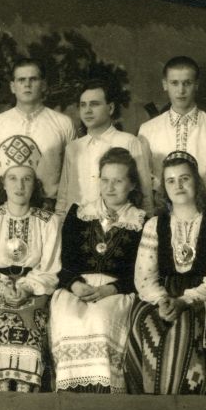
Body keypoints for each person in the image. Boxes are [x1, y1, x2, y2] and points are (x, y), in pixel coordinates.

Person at [124, 150, 206, 394]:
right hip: (161, 295)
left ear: (197, 182)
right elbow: (144, 277)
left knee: (183, 329)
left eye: (185, 178)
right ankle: (149, 401)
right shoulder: (155, 224)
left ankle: (179, 398)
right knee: (147, 324)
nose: (178, 185)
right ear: (164, 187)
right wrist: (163, 300)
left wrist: (184, 301)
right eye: (171, 180)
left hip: (202, 297)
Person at [48, 148, 147, 393]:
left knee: (100, 320)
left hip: (116, 291)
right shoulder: (79, 214)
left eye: (118, 181)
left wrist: (110, 289)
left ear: (132, 185)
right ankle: (68, 394)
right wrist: (74, 284)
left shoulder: (142, 222)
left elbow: (142, 273)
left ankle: (103, 394)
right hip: (76, 287)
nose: (110, 187)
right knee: (68, 317)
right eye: (105, 180)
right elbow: (63, 262)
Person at [0, 135, 61, 391]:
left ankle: (25, 394)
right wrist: (2, 286)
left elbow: (50, 268)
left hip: (34, 289)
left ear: (35, 184)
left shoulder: (48, 221)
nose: (20, 185)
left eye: (27, 179)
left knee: (29, 319)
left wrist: (26, 287)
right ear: (2, 183)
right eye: (12, 178)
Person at [138, 56, 206, 215]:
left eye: (187, 83)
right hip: (161, 214)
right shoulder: (147, 130)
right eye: (174, 83)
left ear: (196, 85)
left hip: (205, 212)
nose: (181, 90)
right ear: (165, 84)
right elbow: (144, 182)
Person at [0, 58, 76, 209]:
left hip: (47, 207)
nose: (27, 84)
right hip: (3, 207)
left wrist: (62, 212)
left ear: (43, 85)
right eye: (21, 80)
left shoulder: (63, 123)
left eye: (33, 79)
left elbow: (71, 174)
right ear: (13, 86)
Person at [55, 79, 154, 218]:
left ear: (110, 108)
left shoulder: (129, 142)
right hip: (76, 224)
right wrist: (60, 223)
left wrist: (146, 223)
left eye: (94, 104)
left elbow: (145, 194)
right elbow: (63, 197)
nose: (87, 110)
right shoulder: (73, 147)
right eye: (83, 105)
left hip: (116, 224)